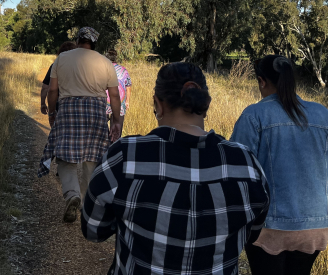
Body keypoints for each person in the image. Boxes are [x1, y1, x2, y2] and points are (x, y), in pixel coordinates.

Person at [81, 62, 270, 275]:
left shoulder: (124, 157)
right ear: (205, 105)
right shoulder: (246, 164)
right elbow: (252, 232)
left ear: (158, 105)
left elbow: (93, 229)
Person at [230, 55, 328, 275]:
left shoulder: (253, 115)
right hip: (316, 227)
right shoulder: (323, 114)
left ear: (262, 81)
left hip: (269, 226)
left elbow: (235, 170)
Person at [38, 27, 122, 223]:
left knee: (66, 158)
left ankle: (71, 194)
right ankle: (87, 204)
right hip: (96, 112)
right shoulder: (105, 62)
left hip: (68, 110)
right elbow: (115, 95)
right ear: (94, 42)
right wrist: (116, 121)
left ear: (78, 40)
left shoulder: (62, 58)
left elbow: (52, 91)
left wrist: (52, 113)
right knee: (93, 159)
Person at [40, 41, 77, 126]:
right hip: (77, 104)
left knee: (57, 132)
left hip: (59, 103)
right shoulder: (80, 66)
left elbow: (46, 87)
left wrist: (43, 104)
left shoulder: (55, 66)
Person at [104, 49, 132, 120]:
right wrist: (127, 101)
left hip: (104, 104)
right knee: (117, 129)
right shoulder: (123, 70)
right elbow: (128, 87)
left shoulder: (102, 69)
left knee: (103, 128)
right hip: (120, 104)